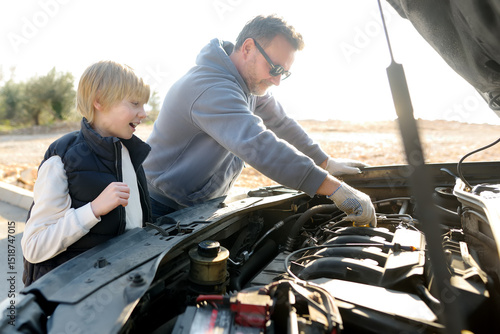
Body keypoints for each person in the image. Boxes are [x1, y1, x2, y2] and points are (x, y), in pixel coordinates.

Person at [144, 14, 376, 226]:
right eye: (274, 68)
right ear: (247, 48)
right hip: (163, 207)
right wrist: (334, 189)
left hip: (198, 204)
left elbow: (280, 122)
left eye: (283, 73)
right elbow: (257, 144)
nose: (277, 81)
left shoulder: (246, 83)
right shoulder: (211, 88)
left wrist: (324, 162)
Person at [21, 60, 152, 286]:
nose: (144, 113)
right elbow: (34, 247)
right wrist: (93, 210)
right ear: (99, 101)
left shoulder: (128, 150)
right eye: (135, 103)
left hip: (117, 288)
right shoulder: (61, 158)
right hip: (70, 299)